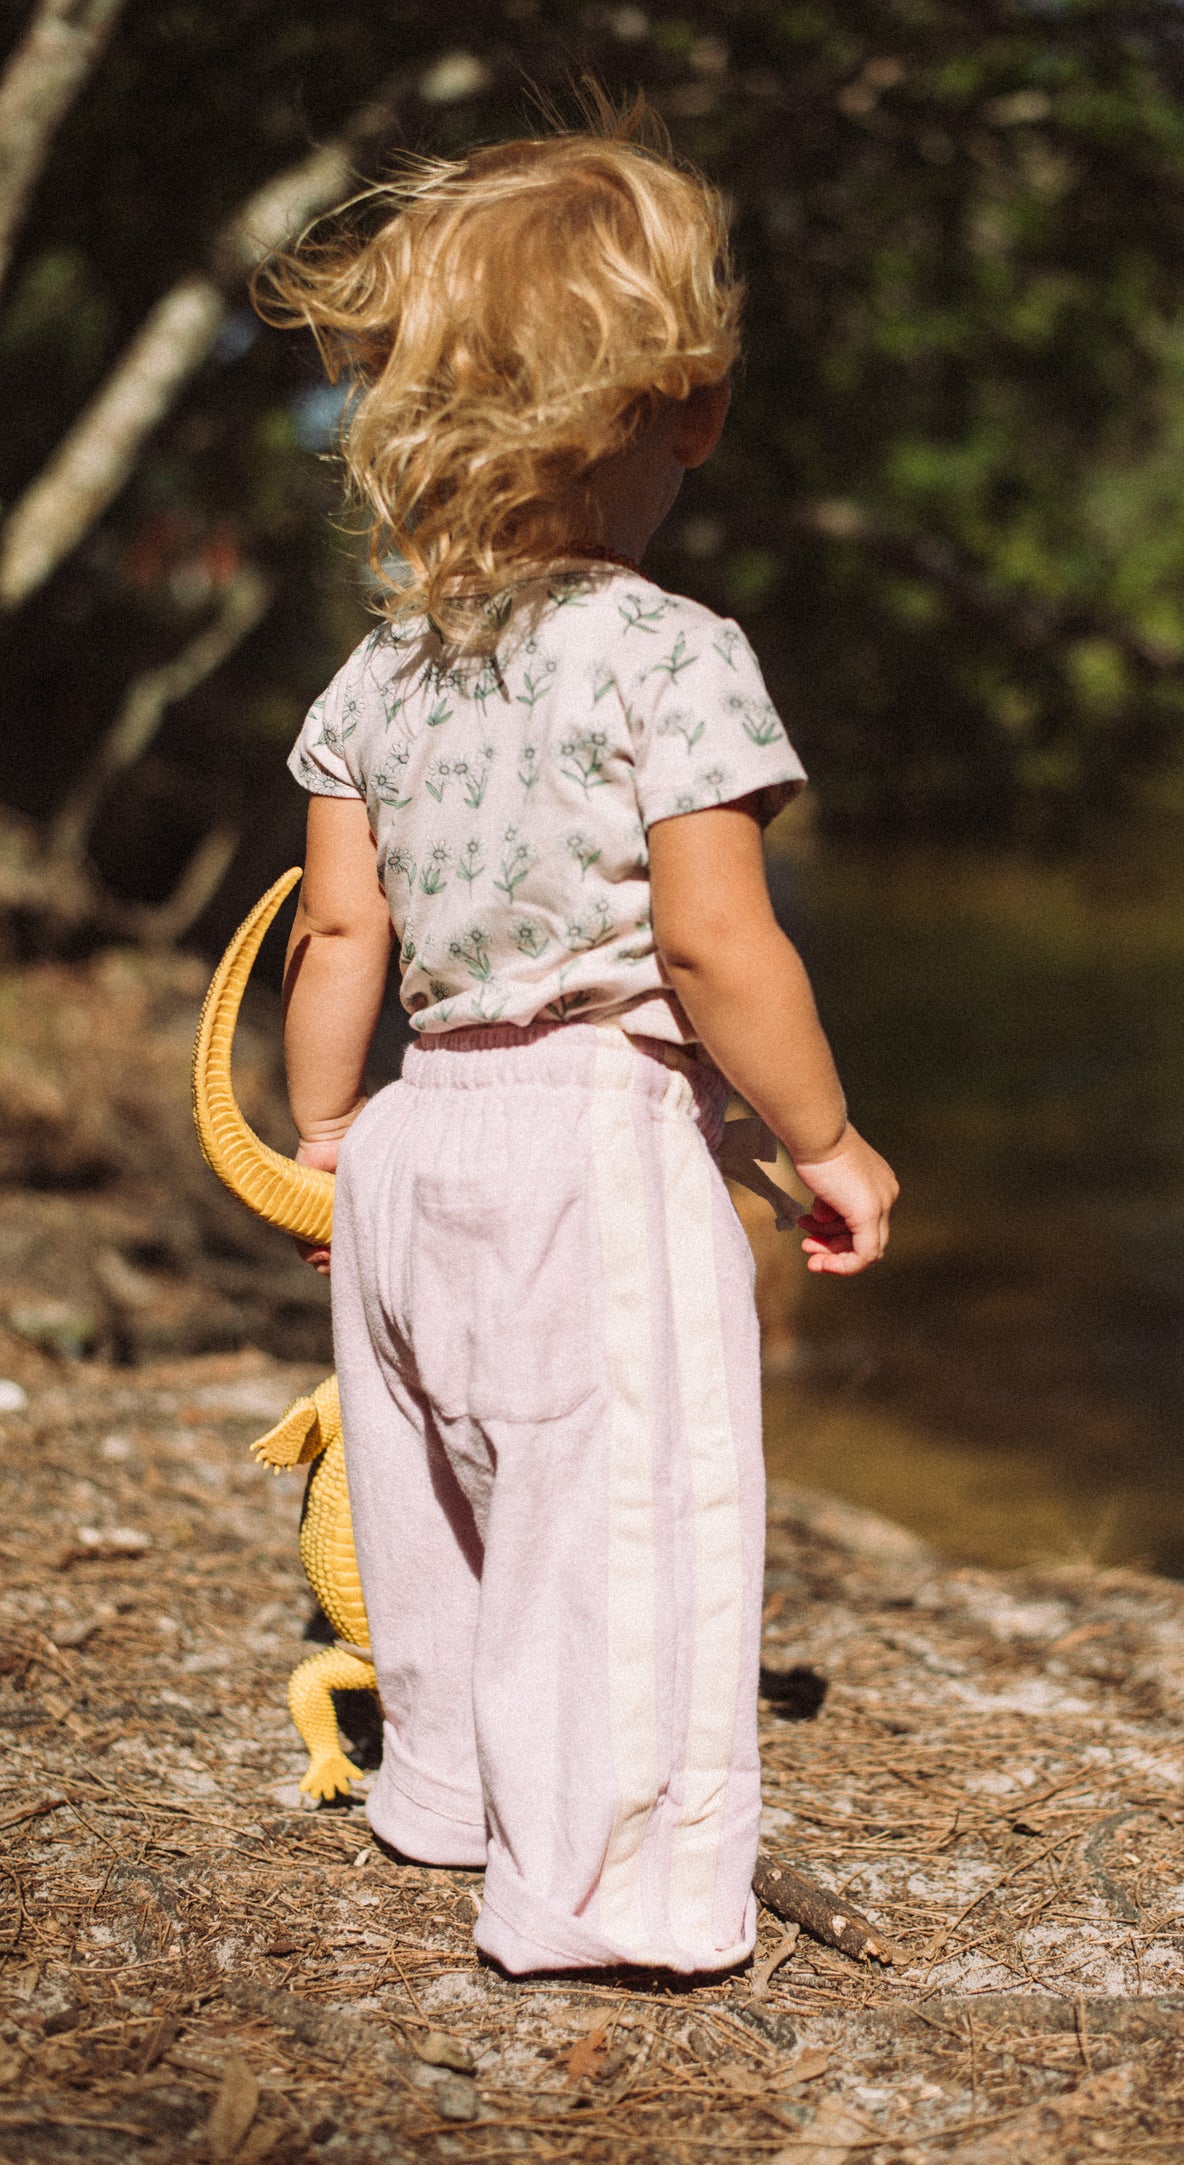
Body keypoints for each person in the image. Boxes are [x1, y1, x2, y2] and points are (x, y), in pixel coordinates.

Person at [256, 102, 898, 1978]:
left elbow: (339, 934)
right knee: (611, 1523)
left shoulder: (379, 672)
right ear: (687, 405)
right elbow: (712, 944)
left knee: (439, 1489)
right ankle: (600, 1892)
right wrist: (823, 1143)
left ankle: (446, 1792)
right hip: (587, 1145)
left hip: (413, 1131)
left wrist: (322, 1142)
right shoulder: (670, 651)